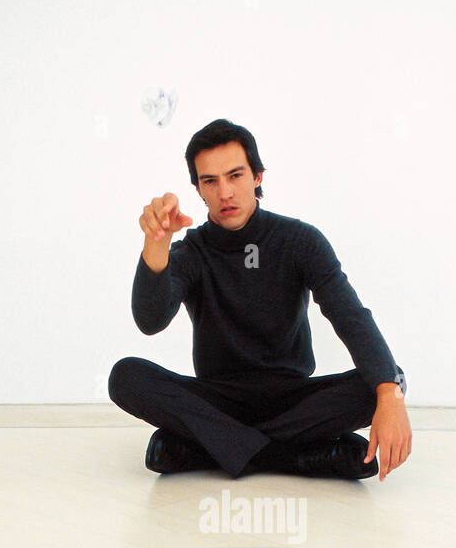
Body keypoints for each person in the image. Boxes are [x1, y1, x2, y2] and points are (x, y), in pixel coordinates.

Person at [109, 118, 411, 480]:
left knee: (385, 380)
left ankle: (208, 449)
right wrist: (156, 243)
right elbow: (150, 320)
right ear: (199, 189)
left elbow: (350, 316)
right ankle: (295, 456)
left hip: (293, 399)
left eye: (235, 176)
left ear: (257, 176)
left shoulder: (300, 241)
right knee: (126, 376)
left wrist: (389, 394)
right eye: (210, 181)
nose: (225, 193)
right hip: (217, 400)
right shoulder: (192, 252)